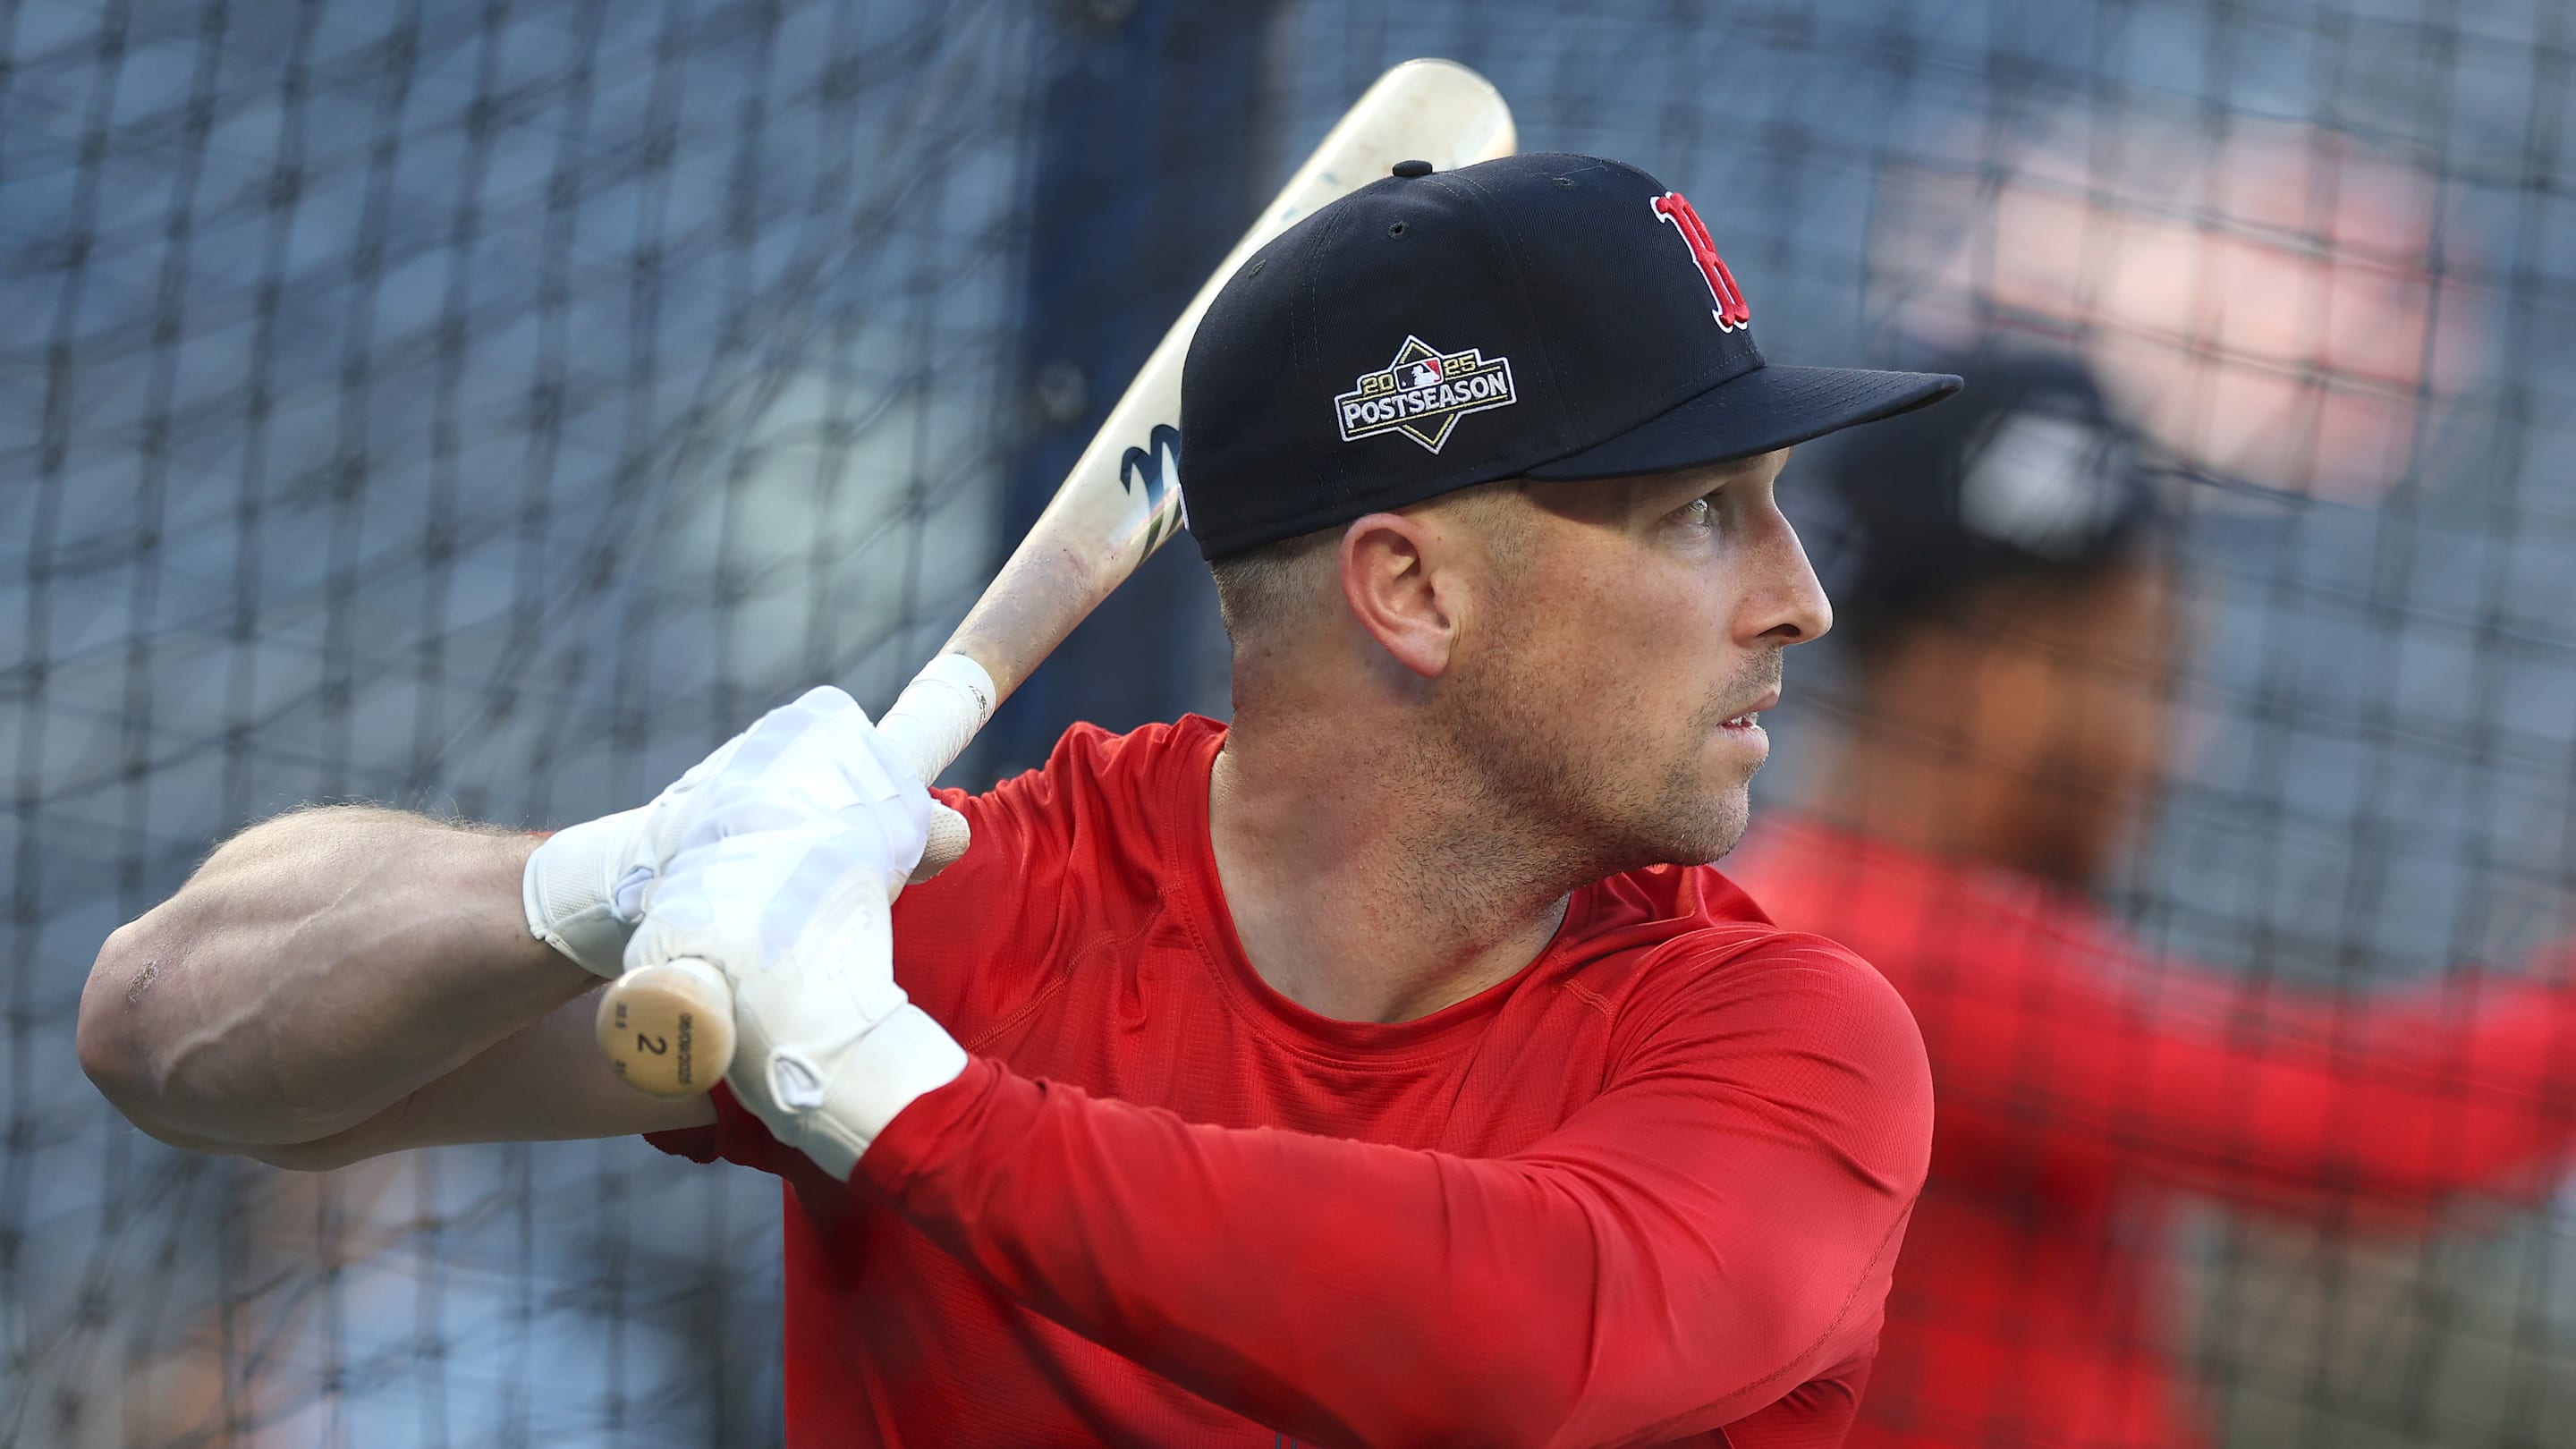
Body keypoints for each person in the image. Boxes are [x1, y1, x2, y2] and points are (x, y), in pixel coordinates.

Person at [77, 155, 1960, 1447]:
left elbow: (1530, 1346)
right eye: (1700, 515)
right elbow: (173, 1035)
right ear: (1409, 591)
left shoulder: (1783, 1038)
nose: (1799, 597)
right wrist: (619, 872)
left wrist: (887, 1094)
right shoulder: (964, 920)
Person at [1728, 352, 2576, 1449]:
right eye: (2141, 668)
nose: (2172, 745)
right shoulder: (1891, 959)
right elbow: (2370, 1128)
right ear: (2011, 675)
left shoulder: (1831, 913)